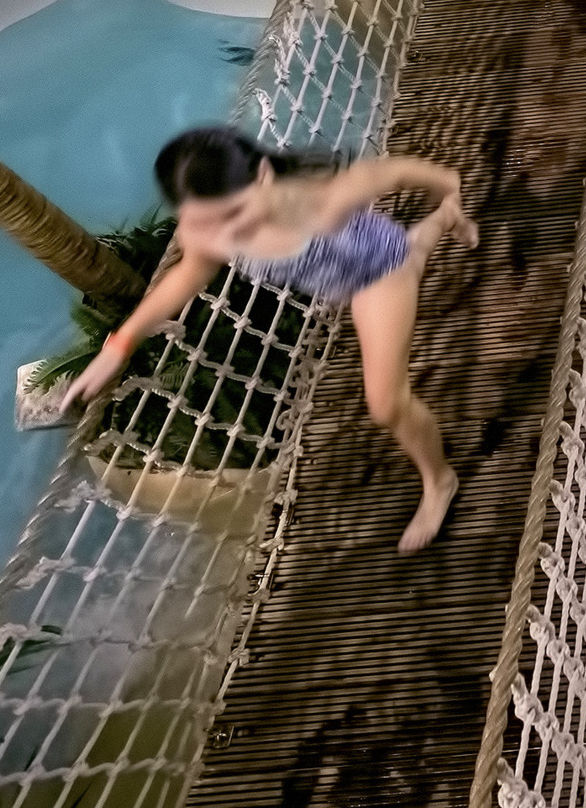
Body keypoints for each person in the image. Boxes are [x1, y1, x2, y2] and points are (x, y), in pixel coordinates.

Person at [67, 126, 480, 554]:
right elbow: (185, 278)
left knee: (385, 403)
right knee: (416, 250)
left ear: (263, 174)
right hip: (346, 280)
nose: (227, 233)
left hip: (378, 274)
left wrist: (449, 183)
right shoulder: (206, 230)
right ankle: (446, 219)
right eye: (204, 219)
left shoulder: (322, 200)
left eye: (235, 212)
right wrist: (119, 344)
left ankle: (440, 480)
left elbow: (393, 172)